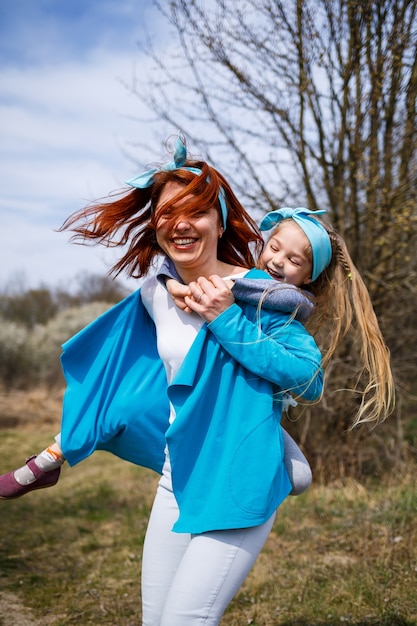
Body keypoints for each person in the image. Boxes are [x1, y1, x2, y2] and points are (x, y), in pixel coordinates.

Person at [0, 135, 324, 625]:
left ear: (219, 222)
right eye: (167, 212)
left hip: (237, 483)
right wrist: (60, 447)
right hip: (177, 481)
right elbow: (122, 376)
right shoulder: (155, 294)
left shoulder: (261, 297)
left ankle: (283, 464)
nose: (180, 223)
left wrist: (225, 318)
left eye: (194, 210)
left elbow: (309, 380)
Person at [167, 205, 395, 429]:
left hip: (238, 426)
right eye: (274, 248)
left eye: (294, 261)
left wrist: (229, 320)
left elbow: (311, 381)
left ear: (308, 277)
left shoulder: (279, 312)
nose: (277, 261)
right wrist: (168, 281)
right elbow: (179, 262)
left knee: (300, 468)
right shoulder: (240, 283)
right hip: (199, 416)